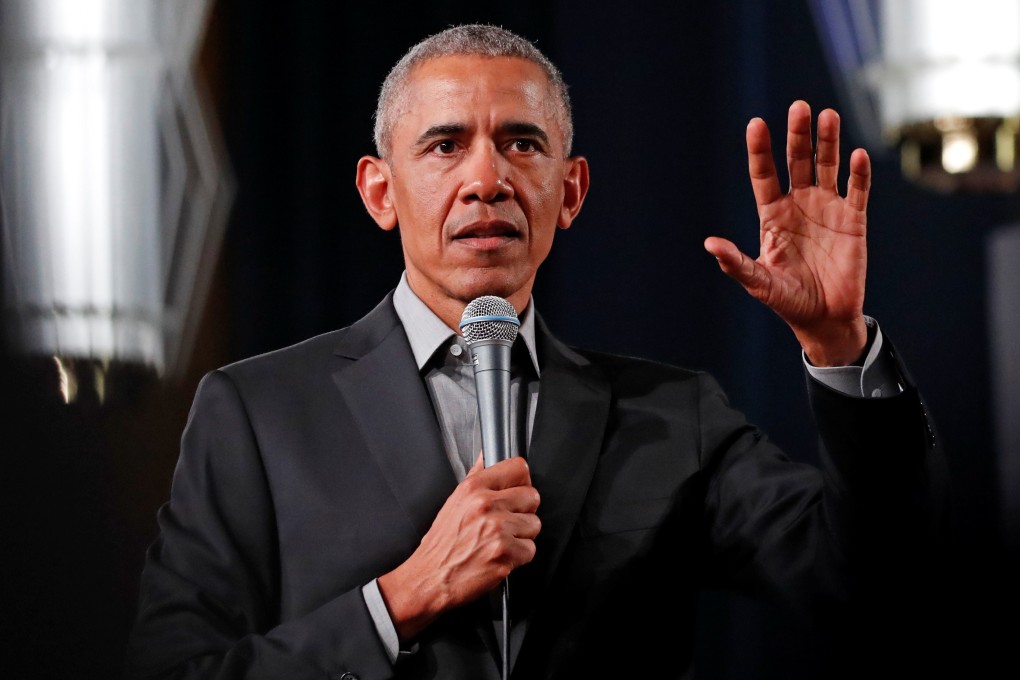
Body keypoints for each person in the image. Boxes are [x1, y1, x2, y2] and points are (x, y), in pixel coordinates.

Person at [127, 23, 948, 680]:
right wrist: (400, 600)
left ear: (572, 191)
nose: (487, 178)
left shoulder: (672, 418)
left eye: (522, 143)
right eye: (446, 145)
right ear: (381, 191)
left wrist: (838, 343)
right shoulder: (259, 413)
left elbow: (873, 588)